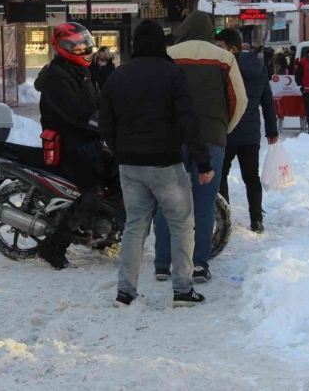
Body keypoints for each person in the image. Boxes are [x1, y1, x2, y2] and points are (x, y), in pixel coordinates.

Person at [101, 20, 212, 308]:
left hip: (130, 166)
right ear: (162, 44)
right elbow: (189, 120)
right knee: (182, 225)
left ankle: (125, 292)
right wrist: (204, 161)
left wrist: (120, 151)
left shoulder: (117, 76)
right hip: (166, 165)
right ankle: (183, 290)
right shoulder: (173, 74)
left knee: (135, 227)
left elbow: (106, 124)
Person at [153, 11, 247, 284]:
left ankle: (162, 262)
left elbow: (155, 96)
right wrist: (223, 128)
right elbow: (239, 100)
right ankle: (199, 264)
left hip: (171, 138)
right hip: (210, 139)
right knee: (204, 204)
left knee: (166, 200)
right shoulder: (224, 58)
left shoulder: (168, 54)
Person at [34, 22, 103, 270]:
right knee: (93, 193)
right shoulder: (56, 76)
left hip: (88, 139)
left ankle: (102, 234)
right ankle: (54, 247)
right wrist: (103, 124)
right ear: (63, 48)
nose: (84, 50)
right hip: (69, 143)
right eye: (77, 47)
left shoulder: (79, 70)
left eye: (86, 44)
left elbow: (98, 101)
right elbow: (77, 112)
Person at [214, 29, 279, 233]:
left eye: (220, 47)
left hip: (227, 131)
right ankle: (256, 219)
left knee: (220, 175)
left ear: (232, 49)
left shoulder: (224, 68)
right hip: (250, 134)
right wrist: (271, 130)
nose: (217, 51)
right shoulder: (259, 67)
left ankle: (225, 219)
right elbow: (267, 101)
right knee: (251, 177)